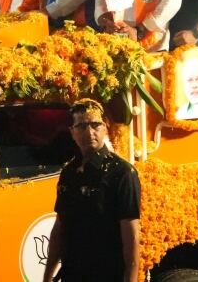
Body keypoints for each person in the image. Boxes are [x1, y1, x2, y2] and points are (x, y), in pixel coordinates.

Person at [43, 99, 140, 282]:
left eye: (95, 125)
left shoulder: (122, 172)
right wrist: (48, 275)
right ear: (72, 132)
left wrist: (131, 279)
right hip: (73, 273)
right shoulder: (69, 172)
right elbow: (60, 227)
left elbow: (131, 235)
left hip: (108, 273)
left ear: (105, 128)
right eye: (81, 126)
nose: (89, 132)